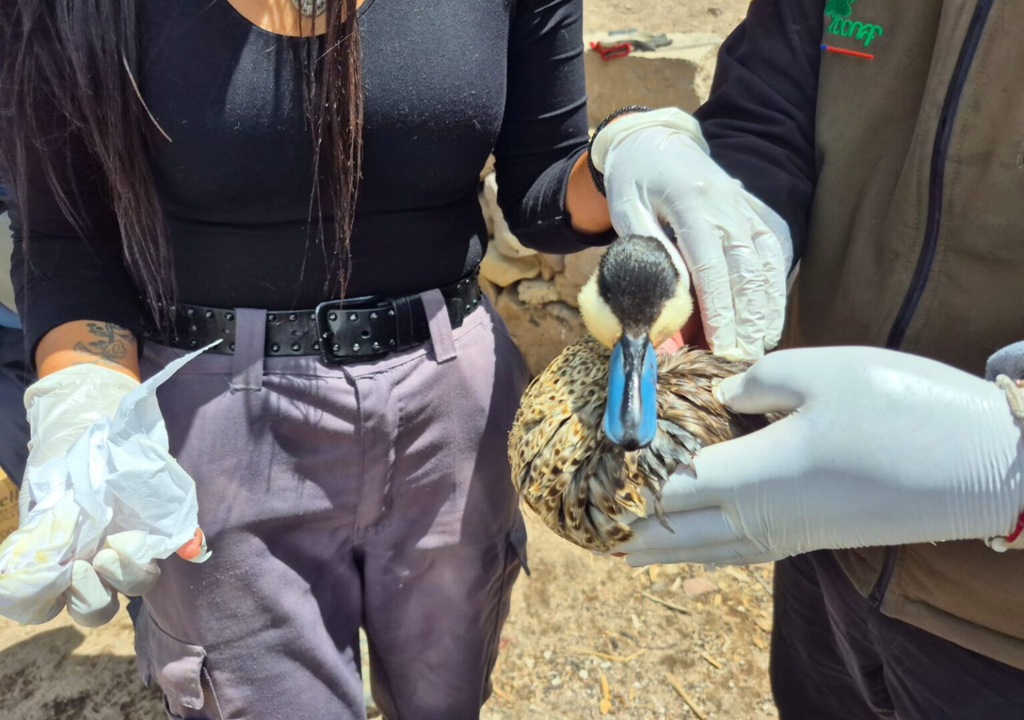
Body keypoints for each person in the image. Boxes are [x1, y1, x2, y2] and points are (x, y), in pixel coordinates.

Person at [0, 1, 789, 718]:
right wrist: (83, 401)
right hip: (212, 428)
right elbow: (66, 237)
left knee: (447, 695)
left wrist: (628, 149)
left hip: (453, 407)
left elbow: (542, 186)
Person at [613, 2, 1024, 718]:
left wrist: (1005, 461)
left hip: (1002, 630)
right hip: (826, 545)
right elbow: (772, 102)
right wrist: (739, 223)